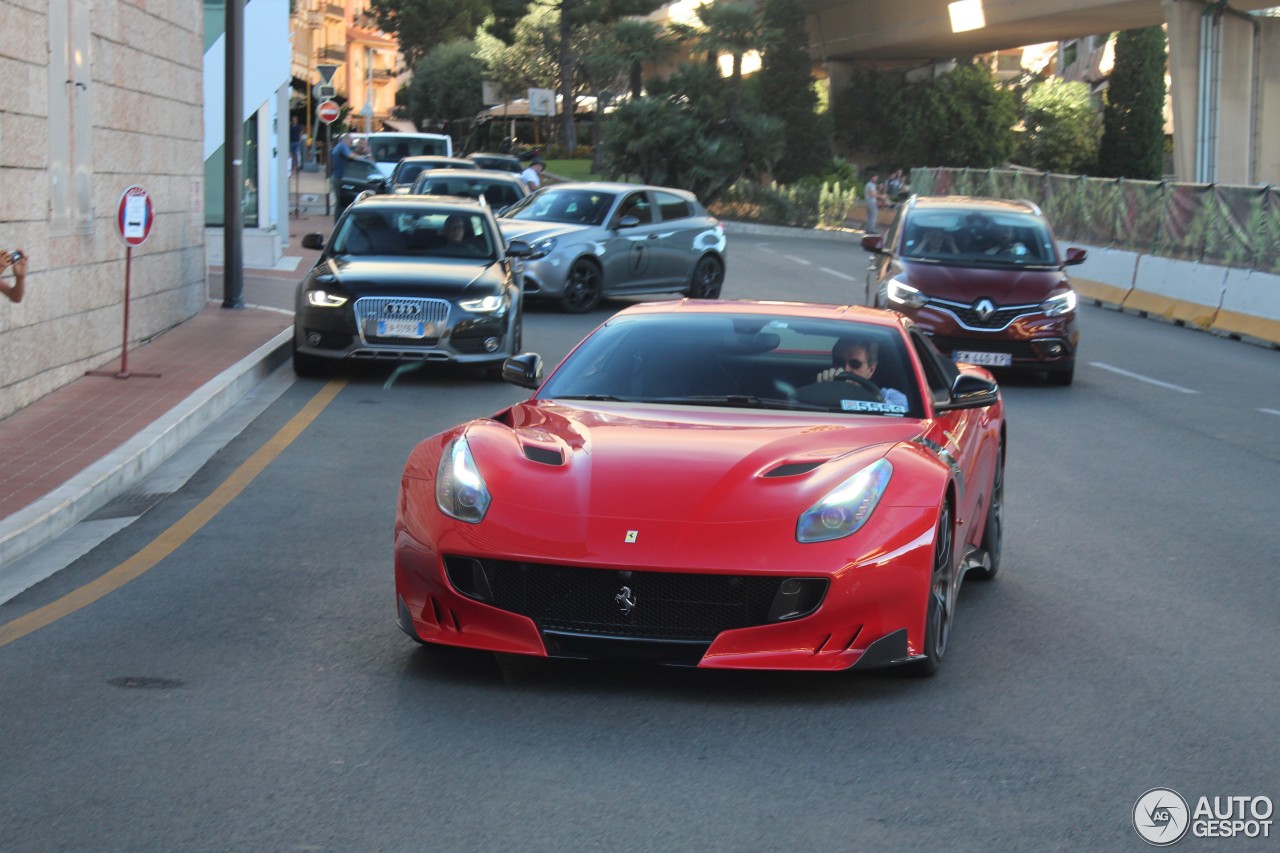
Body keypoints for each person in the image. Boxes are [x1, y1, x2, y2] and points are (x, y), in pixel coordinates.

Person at [816, 335, 908, 410]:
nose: (846, 369)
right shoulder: (821, 388)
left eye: (855, 364)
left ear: (871, 370)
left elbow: (902, 414)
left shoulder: (889, 397)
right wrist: (823, 390)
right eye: (840, 362)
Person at [330, 133, 354, 220]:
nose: (351, 144)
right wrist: (361, 157)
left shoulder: (338, 146)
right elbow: (350, 155)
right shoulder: (342, 146)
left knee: (339, 202)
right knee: (340, 202)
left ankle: (338, 222)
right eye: (351, 142)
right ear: (346, 140)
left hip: (336, 176)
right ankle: (338, 222)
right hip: (339, 177)